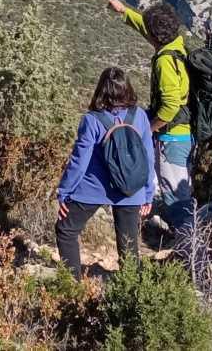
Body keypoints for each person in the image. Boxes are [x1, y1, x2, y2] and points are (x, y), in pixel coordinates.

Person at [55, 67, 155, 279]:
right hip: (131, 190)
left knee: (66, 230)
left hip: (94, 188)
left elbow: (79, 162)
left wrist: (64, 192)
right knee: (128, 245)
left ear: (101, 89)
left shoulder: (92, 120)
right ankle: (132, 292)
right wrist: (147, 193)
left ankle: (72, 284)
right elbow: (148, 157)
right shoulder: (140, 116)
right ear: (127, 88)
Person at [106, 0, 192, 226]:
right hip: (183, 133)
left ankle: (190, 252)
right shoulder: (176, 45)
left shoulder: (165, 61)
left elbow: (171, 105)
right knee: (179, 193)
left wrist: (149, 127)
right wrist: (124, 11)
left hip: (172, 137)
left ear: (156, 37)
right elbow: (148, 30)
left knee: (177, 199)